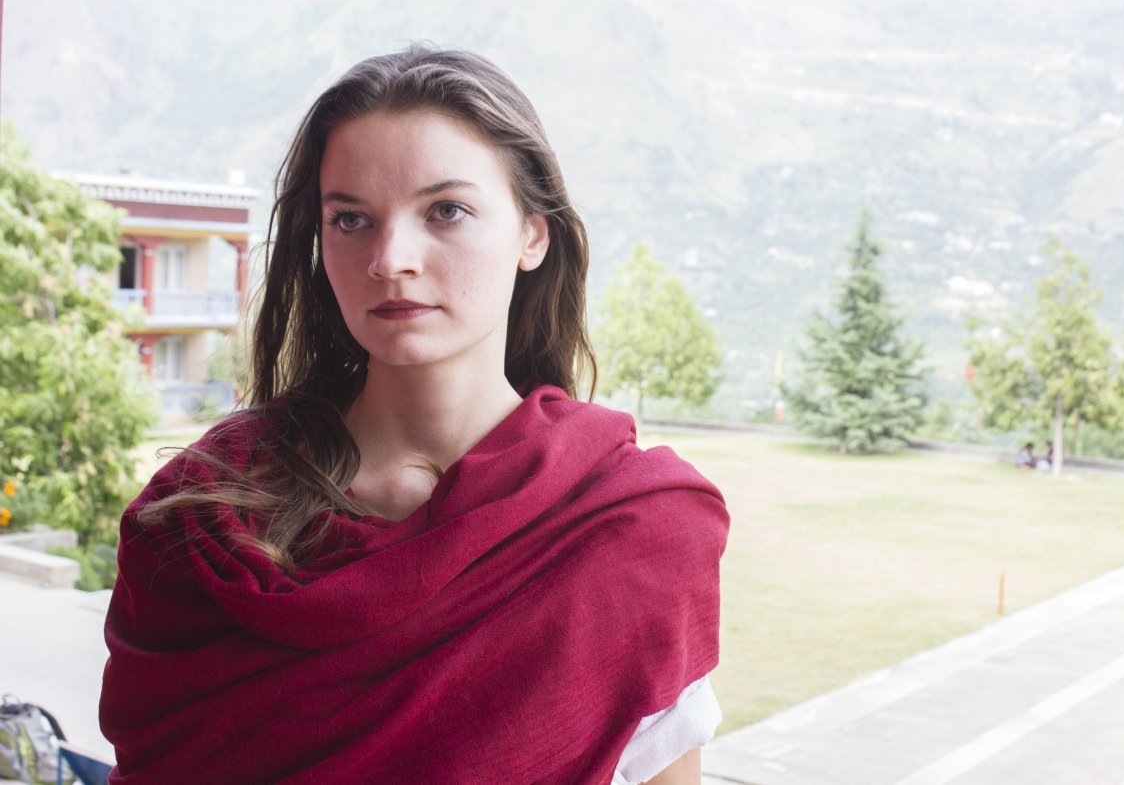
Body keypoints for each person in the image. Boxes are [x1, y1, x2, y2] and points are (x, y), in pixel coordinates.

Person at [99, 45, 729, 784]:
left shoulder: (633, 529)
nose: (389, 257)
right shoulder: (197, 518)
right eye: (351, 219)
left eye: (447, 211)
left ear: (534, 233)